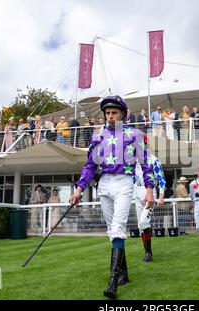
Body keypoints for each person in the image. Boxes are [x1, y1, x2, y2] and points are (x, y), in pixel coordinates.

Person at [69, 95, 154, 300]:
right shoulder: (98, 135)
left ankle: (113, 281)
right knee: (111, 231)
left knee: (117, 228)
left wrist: (150, 189)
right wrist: (79, 189)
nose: (110, 116)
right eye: (107, 113)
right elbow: (90, 166)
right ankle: (124, 274)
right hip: (104, 183)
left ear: (123, 114)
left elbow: (145, 164)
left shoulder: (134, 134)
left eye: (114, 112)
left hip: (125, 182)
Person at [132, 134, 165, 262]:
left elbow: (161, 179)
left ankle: (149, 253)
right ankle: (146, 251)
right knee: (141, 226)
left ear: (147, 145)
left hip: (149, 191)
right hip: (137, 192)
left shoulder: (154, 160)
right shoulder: (132, 162)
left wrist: (161, 195)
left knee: (144, 222)